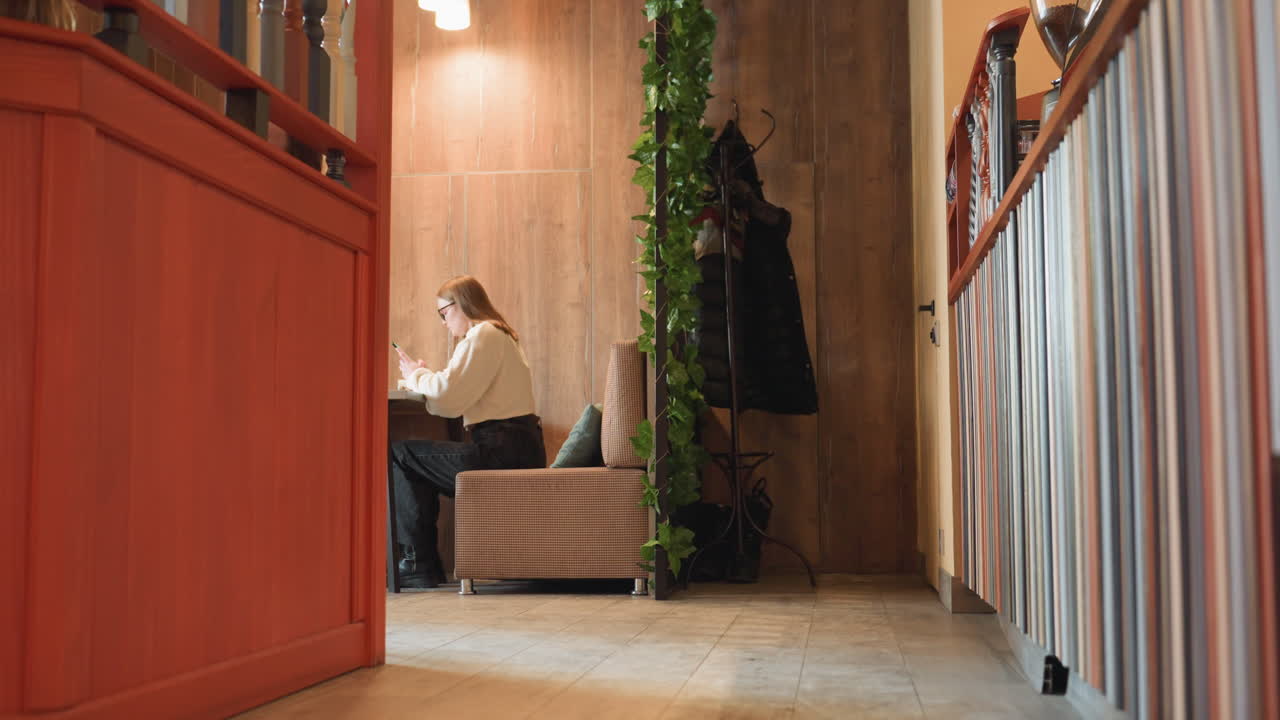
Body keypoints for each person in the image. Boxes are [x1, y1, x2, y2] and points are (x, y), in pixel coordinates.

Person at [390, 275, 546, 588]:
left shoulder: (483, 334)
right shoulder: (498, 335)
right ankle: (420, 563)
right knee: (415, 459)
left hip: (501, 451)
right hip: (513, 447)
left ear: (461, 304)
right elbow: (451, 395)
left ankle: (418, 563)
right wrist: (419, 378)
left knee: (400, 453)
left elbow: (447, 395)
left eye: (443, 313)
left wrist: (416, 375)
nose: (443, 323)